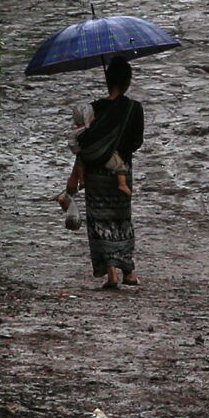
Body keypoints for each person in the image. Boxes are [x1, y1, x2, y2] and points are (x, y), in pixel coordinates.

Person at [58, 58, 145, 290]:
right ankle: (128, 271)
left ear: (107, 81)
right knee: (121, 220)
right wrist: (117, 151)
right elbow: (136, 141)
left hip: (95, 171)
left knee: (100, 221)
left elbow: (84, 141)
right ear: (127, 82)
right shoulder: (133, 109)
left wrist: (80, 169)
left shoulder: (94, 108)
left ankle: (111, 275)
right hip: (122, 171)